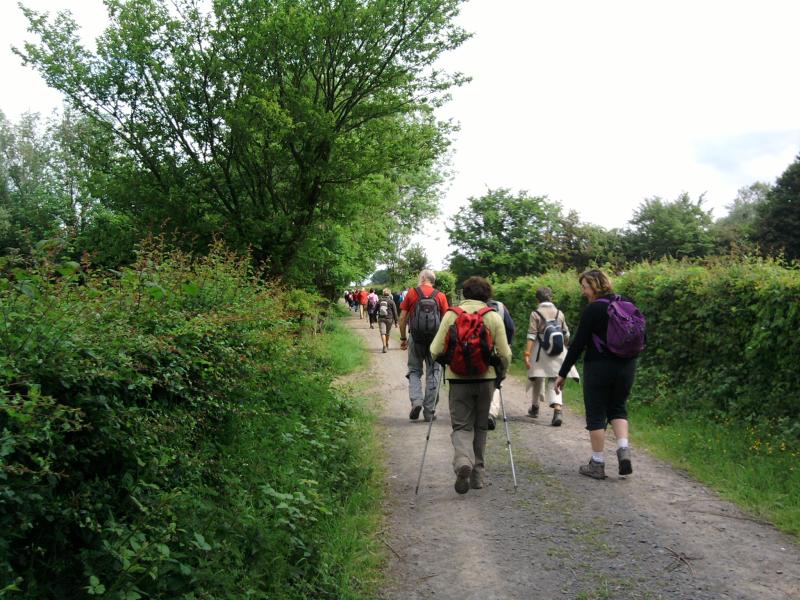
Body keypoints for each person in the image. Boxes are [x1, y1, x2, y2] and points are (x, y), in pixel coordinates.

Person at [430, 276, 512, 494]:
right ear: (487, 295)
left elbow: (434, 349)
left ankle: (462, 462)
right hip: (486, 380)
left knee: (461, 426)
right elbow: (505, 353)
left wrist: (449, 363)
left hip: (458, 381)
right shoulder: (493, 317)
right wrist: (500, 374)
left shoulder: (451, 315)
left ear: (464, 293)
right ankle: (477, 476)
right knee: (480, 426)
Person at [554, 269, 637, 479]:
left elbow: (577, 345)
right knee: (618, 407)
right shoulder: (626, 304)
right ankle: (623, 450)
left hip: (598, 367)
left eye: (584, 287)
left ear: (595, 286)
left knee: (596, 413)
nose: (583, 292)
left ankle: (597, 463)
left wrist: (563, 373)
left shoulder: (593, 310)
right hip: (626, 367)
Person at [398, 270, 449, 422]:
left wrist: (403, 338)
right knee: (434, 372)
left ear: (422, 278)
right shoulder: (440, 296)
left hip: (416, 338)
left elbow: (402, 318)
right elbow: (446, 322)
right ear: (433, 280)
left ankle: (416, 401)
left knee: (414, 370)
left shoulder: (412, 293)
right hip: (435, 340)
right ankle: (429, 412)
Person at [525, 287, 579, 426]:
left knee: (537, 377)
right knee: (555, 380)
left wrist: (527, 353)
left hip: (540, 350)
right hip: (557, 350)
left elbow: (531, 335)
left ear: (538, 299)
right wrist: (564, 346)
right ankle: (558, 410)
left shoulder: (535, 313)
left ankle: (535, 407)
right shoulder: (559, 313)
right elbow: (566, 334)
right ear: (551, 298)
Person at [486, 297, 516, 431]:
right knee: (497, 381)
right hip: (497, 349)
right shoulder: (501, 307)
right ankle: (491, 412)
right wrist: (506, 344)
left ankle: (478, 412)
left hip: (477, 350)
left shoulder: (473, 308)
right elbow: (510, 327)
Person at [377, 288, 399, 353]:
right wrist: (396, 322)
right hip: (389, 319)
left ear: (383, 293)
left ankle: (384, 346)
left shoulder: (380, 300)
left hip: (381, 318)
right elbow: (395, 312)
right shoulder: (391, 301)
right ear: (389, 294)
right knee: (387, 333)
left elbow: (375, 309)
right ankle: (386, 344)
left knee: (382, 333)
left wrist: (374, 318)